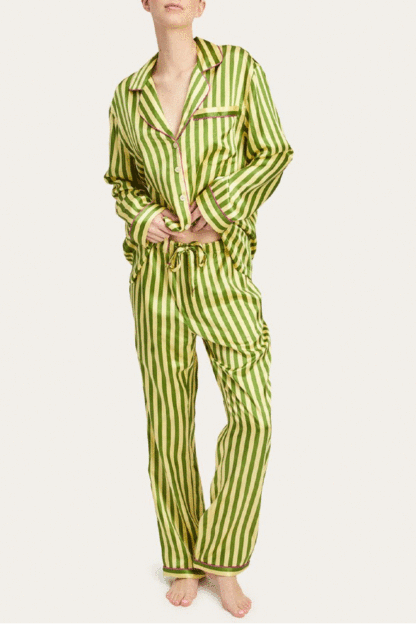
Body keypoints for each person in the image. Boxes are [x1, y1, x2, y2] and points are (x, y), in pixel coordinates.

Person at [103, 0, 294, 617]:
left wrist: (219, 208)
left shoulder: (238, 69)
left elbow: (273, 152)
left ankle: (223, 557)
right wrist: (143, 216)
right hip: (156, 280)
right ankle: (182, 559)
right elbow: (120, 180)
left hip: (223, 274)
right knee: (168, 423)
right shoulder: (127, 96)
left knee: (253, 417)